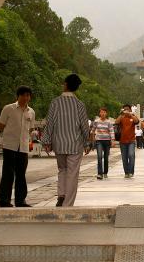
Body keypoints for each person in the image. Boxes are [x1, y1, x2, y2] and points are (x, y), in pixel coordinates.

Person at [43, 74, 90, 207]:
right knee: (72, 173)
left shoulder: (55, 102)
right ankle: (68, 204)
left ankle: (61, 195)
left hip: (59, 144)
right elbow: (84, 126)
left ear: (65, 84)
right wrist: (87, 143)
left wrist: (47, 141)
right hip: (75, 144)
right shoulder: (79, 104)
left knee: (62, 169)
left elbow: (50, 123)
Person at [0, 85, 35, 208]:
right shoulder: (9, 109)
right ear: (18, 96)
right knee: (8, 173)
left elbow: (31, 128)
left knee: (21, 174)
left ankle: (20, 200)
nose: (26, 98)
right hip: (10, 145)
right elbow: (1, 125)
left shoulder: (31, 112)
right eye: (23, 95)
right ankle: (4, 200)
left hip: (23, 147)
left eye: (28, 95)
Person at [115, 104, 139, 178]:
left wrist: (130, 114)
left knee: (131, 155)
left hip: (131, 140)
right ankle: (126, 172)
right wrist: (121, 113)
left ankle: (131, 172)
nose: (126, 110)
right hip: (122, 141)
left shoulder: (132, 117)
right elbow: (116, 122)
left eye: (127, 109)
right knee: (124, 157)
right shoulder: (121, 117)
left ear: (130, 110)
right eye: (124, 109)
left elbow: (137, 121)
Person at [92, 107, 115, 179]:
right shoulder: (96, 121)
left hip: (107, 141)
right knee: (99, 156)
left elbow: (111, 131)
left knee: (106, 157)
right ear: (99, 113)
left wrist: (112, 140)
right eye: (101, 112)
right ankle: (99, 173)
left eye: (104, 112)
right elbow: (93, 130)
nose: (103, 114)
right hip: (99, 140)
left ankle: (105, 172)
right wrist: (93, 138)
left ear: (106, 113)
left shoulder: (109, 122)